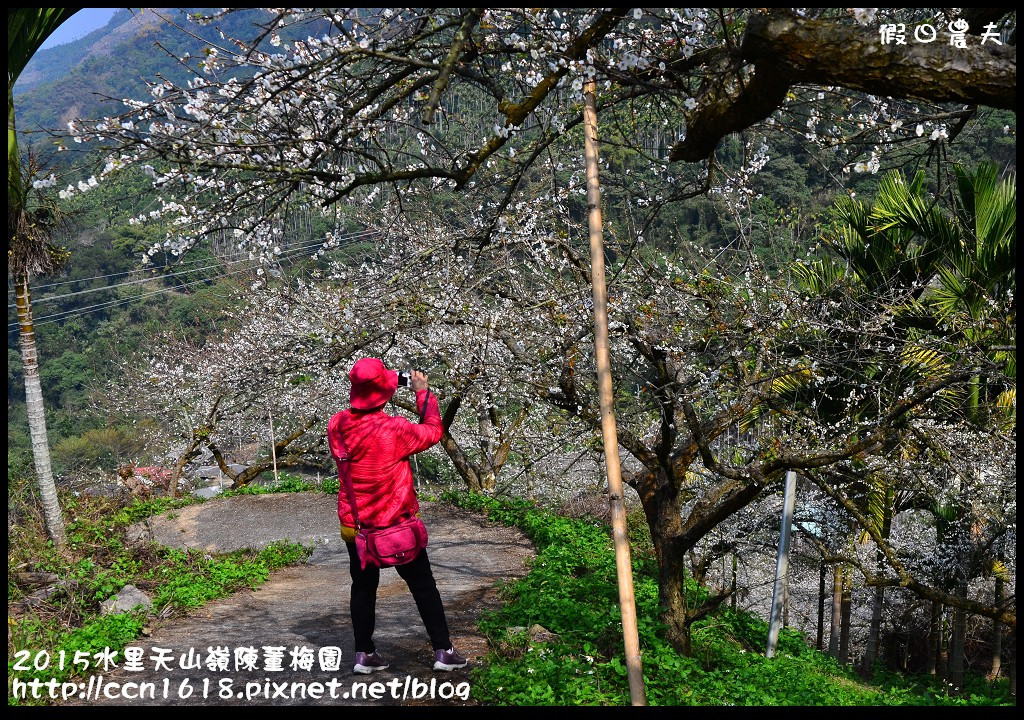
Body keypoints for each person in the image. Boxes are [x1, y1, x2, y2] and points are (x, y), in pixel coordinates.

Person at [327, 357, 468, 674]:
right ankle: (443, 651)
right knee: (423, 585)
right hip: (395, 525)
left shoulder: (337, 425)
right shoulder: (394, 429)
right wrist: (423, 392)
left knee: (363, 587)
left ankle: (364, 654)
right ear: (383, 392)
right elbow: (433, 431)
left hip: (357, 526)